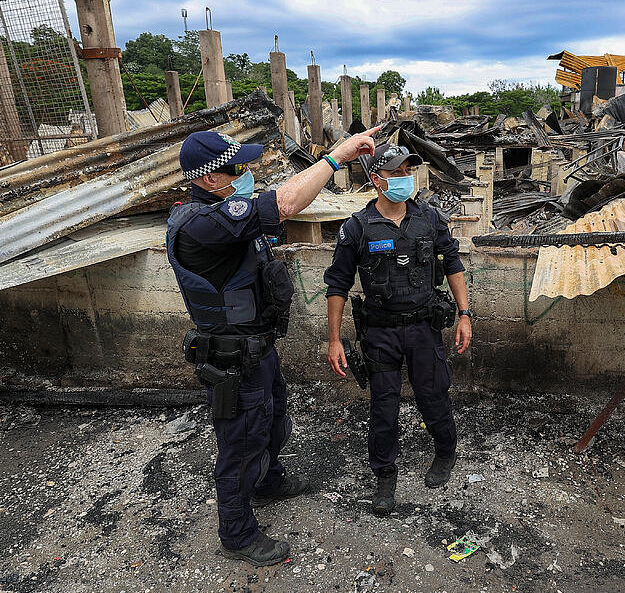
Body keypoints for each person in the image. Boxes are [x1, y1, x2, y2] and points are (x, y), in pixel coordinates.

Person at [167, 126, 379, 566]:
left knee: (272, 422)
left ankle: (268, 485)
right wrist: (336, 156)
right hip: (232, 359)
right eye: (235, 168)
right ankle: (237, 534)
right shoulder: (203, 223)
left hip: (258, 350)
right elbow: (283, 203)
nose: (244, 174)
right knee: (241, 445)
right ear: (208, 178)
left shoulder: (224, 214)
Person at [324, 143, 472, 516]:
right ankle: (385, 475)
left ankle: (444, 452)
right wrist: (334, 339)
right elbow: (337, 284)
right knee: (383, 407)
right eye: (396, 172)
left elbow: (453, 263)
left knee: (434, 396)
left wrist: (466, 313)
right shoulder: (357, 227)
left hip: (424, 328)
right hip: (381, 333)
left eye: (409, 171)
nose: (406, 178)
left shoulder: (431, 218)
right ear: (377, 179)